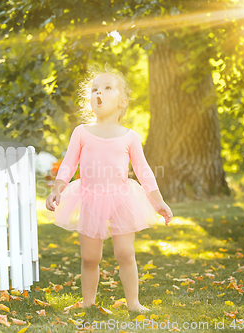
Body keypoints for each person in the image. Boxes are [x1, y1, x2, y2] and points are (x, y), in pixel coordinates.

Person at [46, 66, 173, 314]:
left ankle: (133, 303)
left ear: (122, 101)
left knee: (125, 253)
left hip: (121, 199)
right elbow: (69, 164)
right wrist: (57, 189)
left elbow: (144, 171)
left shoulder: (129, 137)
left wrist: (159, 203)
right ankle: (88, 302)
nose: (98, 93)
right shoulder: (81, 132)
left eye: (106, 88)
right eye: (94, 89)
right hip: (90, 198)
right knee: (90, 258)